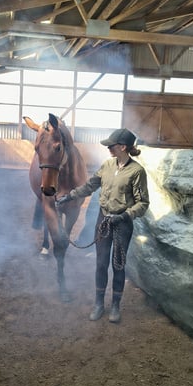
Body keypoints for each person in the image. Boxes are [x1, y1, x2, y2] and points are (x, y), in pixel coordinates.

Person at [57, 128, 149, 323]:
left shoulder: (137, 171)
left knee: (118, 265)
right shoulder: (107, 165)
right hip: (103, 220)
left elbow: (143, 203)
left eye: (111, 145)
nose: (108, 148)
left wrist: (125, 216)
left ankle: (115, 305)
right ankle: (99, 304)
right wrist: (70, 196)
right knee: (101, 263)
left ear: (123, 147)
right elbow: (90, 185)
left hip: (122, 223)